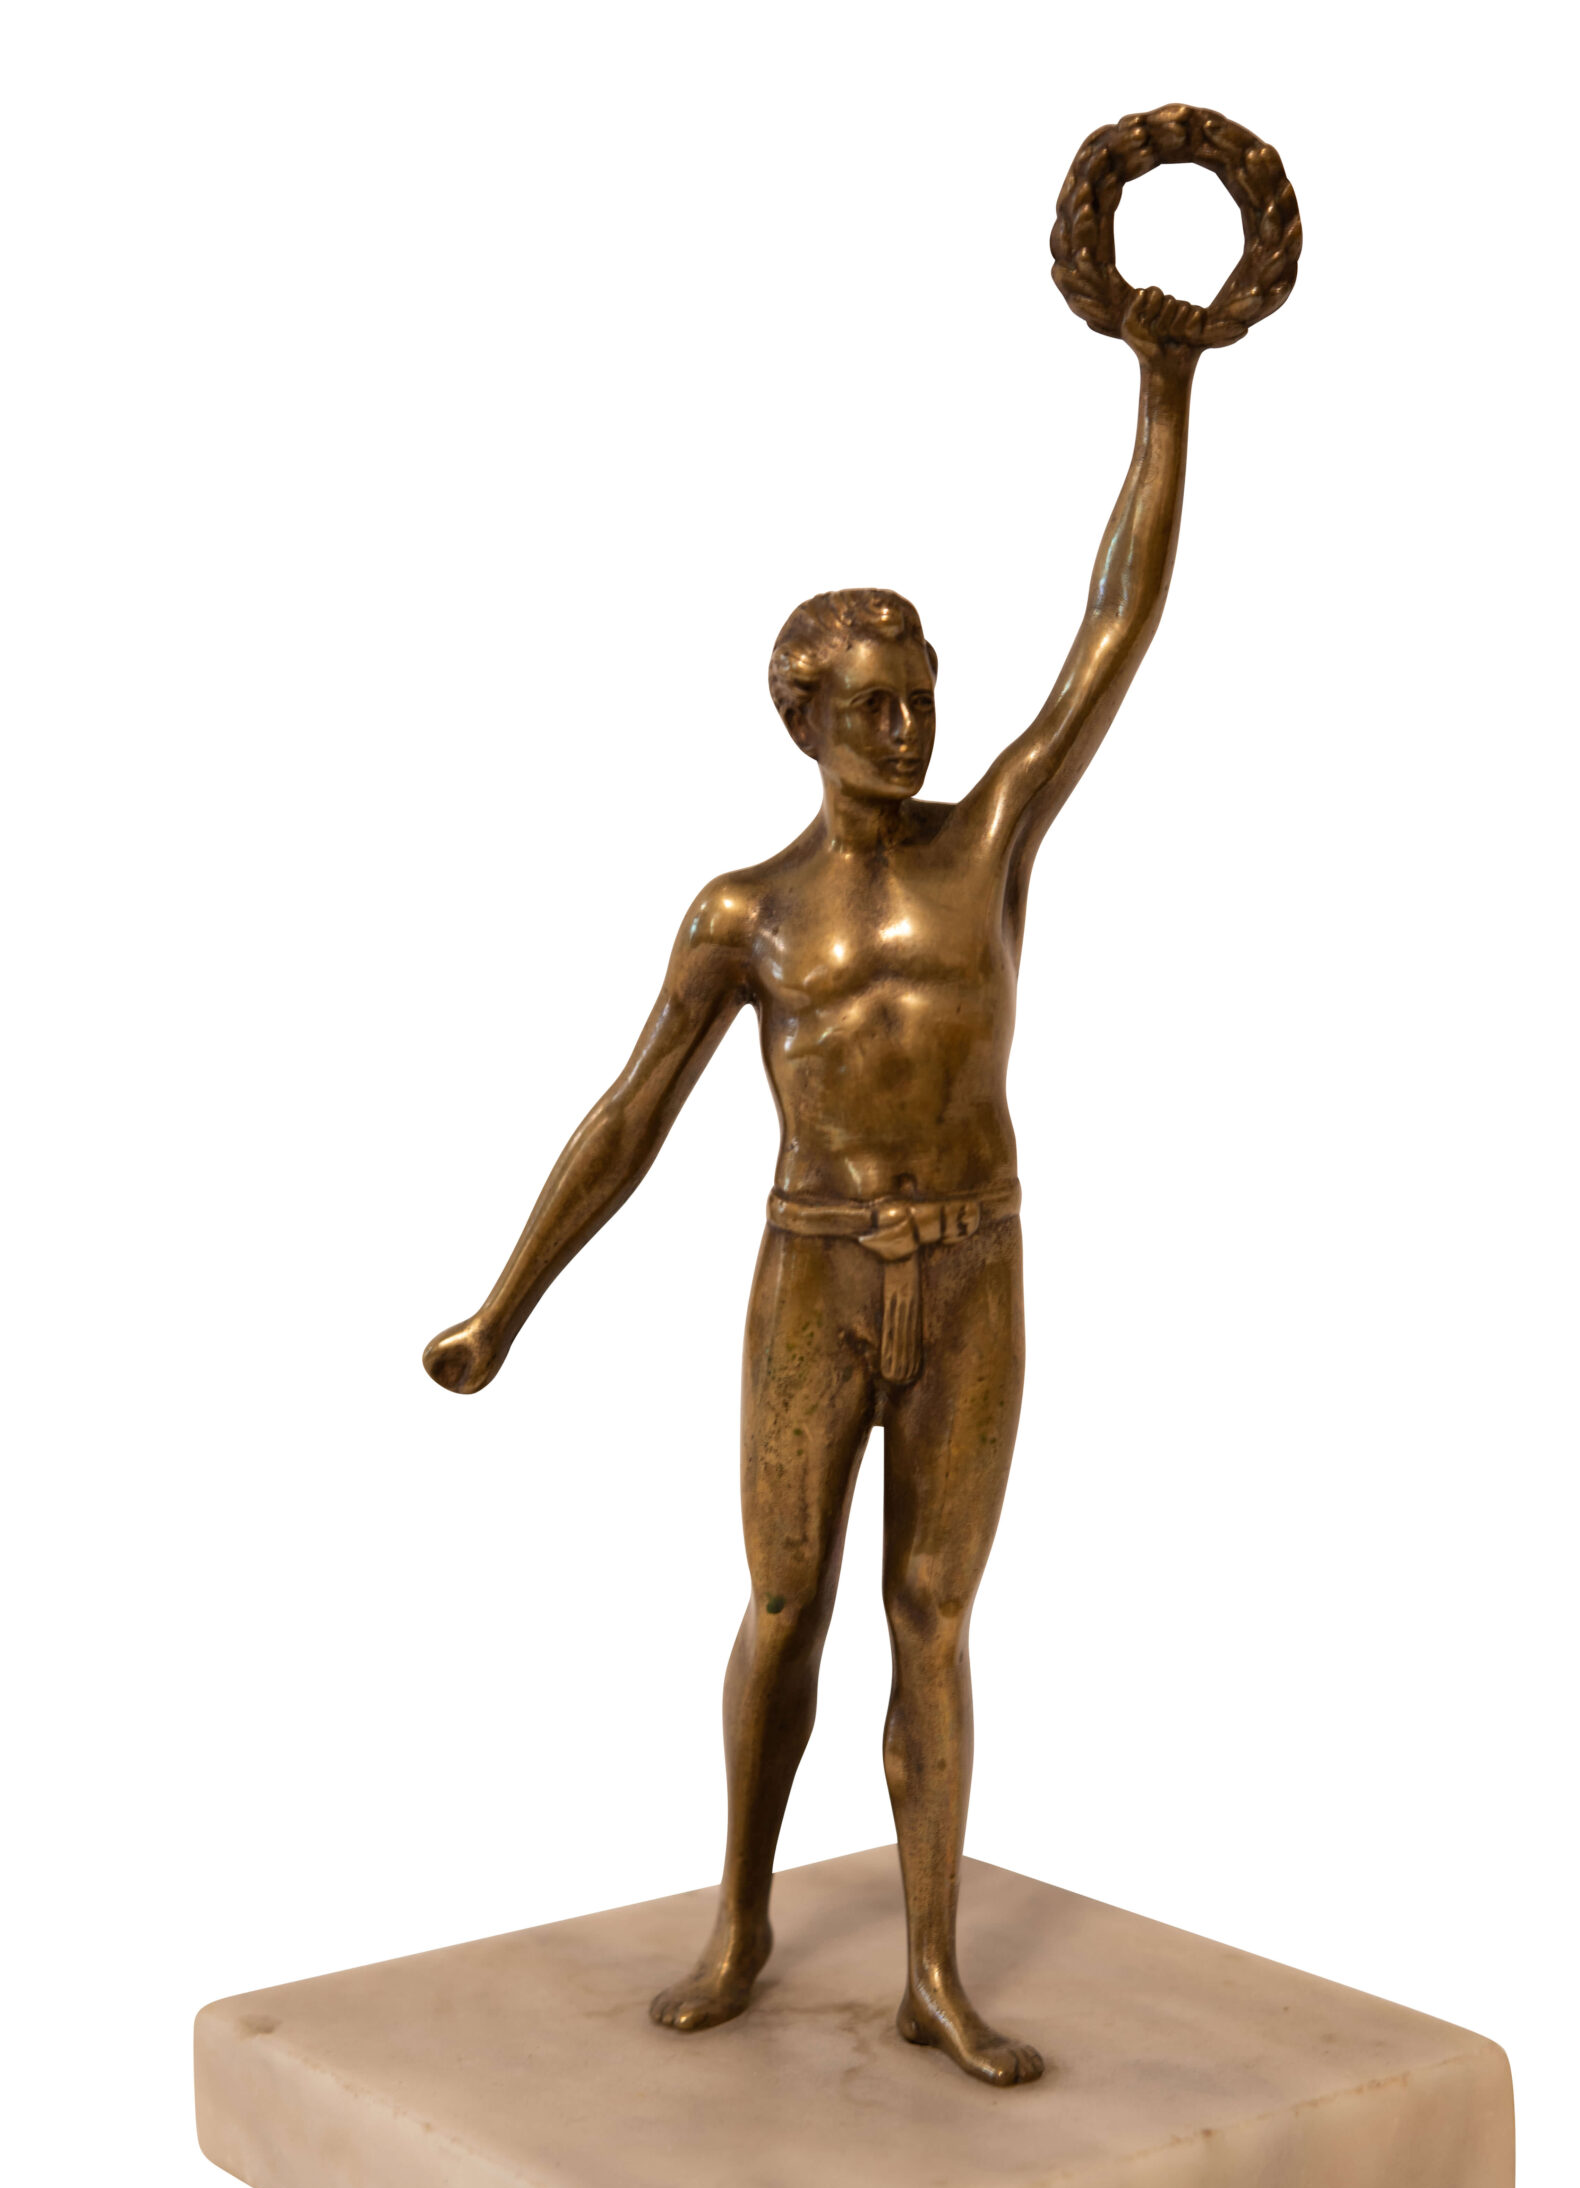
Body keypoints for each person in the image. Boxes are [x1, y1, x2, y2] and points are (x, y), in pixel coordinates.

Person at [424, 291, 1201, 2082]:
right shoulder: (747, 914)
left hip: (977, 1265)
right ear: (804, 718)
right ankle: (742, 1917)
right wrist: (501, 1312)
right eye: (871, 707)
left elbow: (1112, 626)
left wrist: (1162, 391)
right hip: (817, 1276)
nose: (908, 730)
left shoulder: (988, 841)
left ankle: (929, 1969)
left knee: (934, 1614)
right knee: (785, 1608)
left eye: (920, 700)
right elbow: (628, 1117)